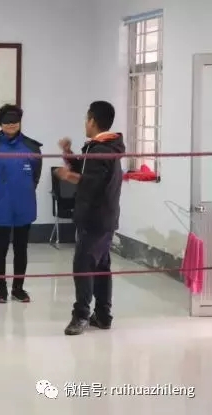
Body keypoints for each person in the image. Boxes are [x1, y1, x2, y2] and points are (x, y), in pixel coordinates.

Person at [54, 100, 125, 335]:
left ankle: (81, 315)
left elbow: (92, 182)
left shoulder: (101, 150)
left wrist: (67, 177)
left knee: (83, 266)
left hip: (95, 220)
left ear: (92, 121)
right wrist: (68, 154)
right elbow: (87, 168)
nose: (85, 123)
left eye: (87, 119)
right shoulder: (103, 147)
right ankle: (103, 316)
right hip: (104, 218)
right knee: (101, 267)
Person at [0, 104, 42, 303]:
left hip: (24, 203)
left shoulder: (32, 147)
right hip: (0, 203)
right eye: (7, 121)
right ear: (0, 124)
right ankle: (1, 289)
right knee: (0, 248)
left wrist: (25, 190)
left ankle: (18, 288)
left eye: (15, 121)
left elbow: (35, 176)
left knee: (21, 248)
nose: (11, 124)